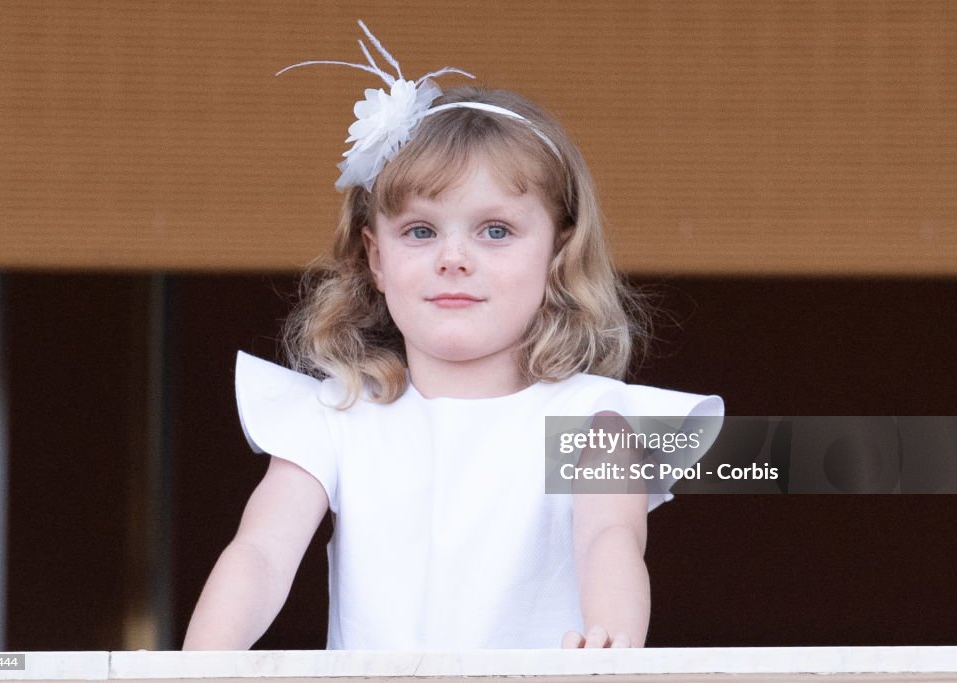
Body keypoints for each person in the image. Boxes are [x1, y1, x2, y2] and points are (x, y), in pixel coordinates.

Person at [183, 21, 723, 651]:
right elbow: (260, 555)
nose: (454, 258)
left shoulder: (587, 419)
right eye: (420, 231)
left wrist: (610, 645)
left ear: (557, 256)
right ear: (375, 258)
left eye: (495, 230)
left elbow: (610, 538)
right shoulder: (337, 417)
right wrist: (194, 668)